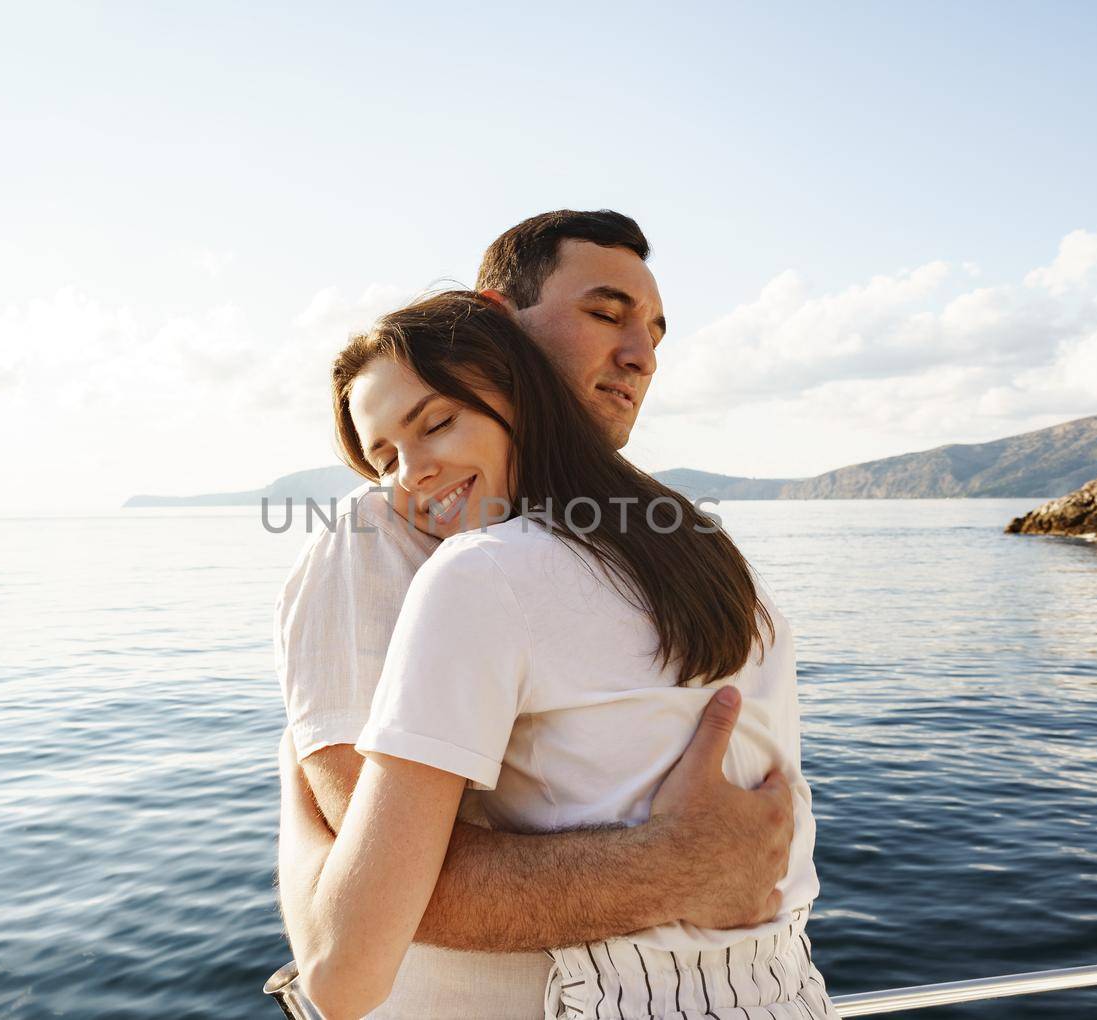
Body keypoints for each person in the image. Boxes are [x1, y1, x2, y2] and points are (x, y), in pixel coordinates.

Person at [274, 212, 796, 1017]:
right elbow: (389, 865)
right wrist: (680, 868)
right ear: (496, 327)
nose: (642, 354)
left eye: (655, 329)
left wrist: (290, 797)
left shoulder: (565, 554)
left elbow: (348, 946)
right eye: (605, 311)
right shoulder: (697, 546)